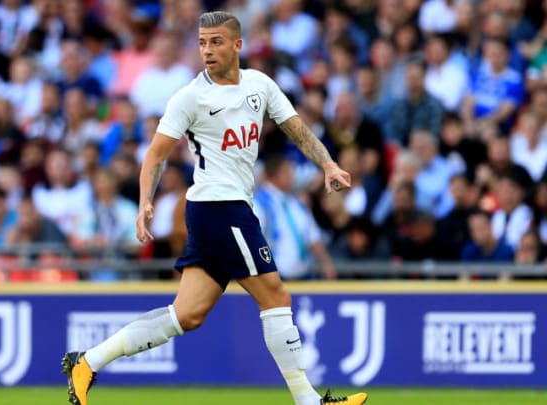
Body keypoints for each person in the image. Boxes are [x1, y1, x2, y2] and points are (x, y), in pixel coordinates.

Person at [61, 11, 365, 405]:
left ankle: (88, 362)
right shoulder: (190, 97)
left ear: (238, 45)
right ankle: (309, 402)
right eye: (203, 42)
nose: (207, 50)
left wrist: (327, 164)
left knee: (185, 315)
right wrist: (143, 203)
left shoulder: (260, 85)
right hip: (220, 208)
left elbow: (298, 129)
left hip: (222, 211)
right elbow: (155, 155)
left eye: (216, 41)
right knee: (275, 296)